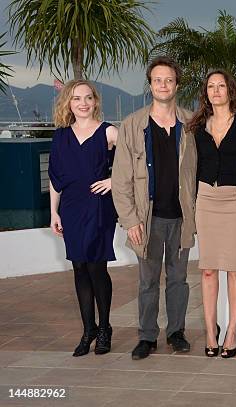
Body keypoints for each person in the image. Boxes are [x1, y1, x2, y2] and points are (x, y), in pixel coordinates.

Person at [112, 56, 197, 360]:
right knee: (148, 281)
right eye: (157, 80)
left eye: (169, 80)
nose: (163, 85)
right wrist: (130, 220)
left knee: (178, 280)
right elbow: (120, 179)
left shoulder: (190, 123)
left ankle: (176, 332)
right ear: (150, 85)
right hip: (146, 220)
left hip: (181, 218)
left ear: (177, 84)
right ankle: (147, 336)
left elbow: (198, 172)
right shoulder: (133, 125)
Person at [49, 79, 118, 357]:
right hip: (72, 207)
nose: (83, 103)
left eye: (88, 98)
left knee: (96, 267)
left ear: (95, 101)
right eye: (77, 98)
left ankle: (104, 329)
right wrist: (53, 211)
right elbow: (56, 177)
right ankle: (88, 329)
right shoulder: (61, 135)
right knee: (79, 267)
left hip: (99, 206)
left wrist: (113, 180)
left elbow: (137, 157)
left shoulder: (109, 131)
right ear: (68, 102)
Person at [189, 70, 236, 358]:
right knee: (209, 268)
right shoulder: (197, 126)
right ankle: (211, 330)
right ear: (206, 92)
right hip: (206, 199)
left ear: (229, 90)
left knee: (235, 268)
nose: (216, 91)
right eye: (210, 86)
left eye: (221, 86)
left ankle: (233, 329)